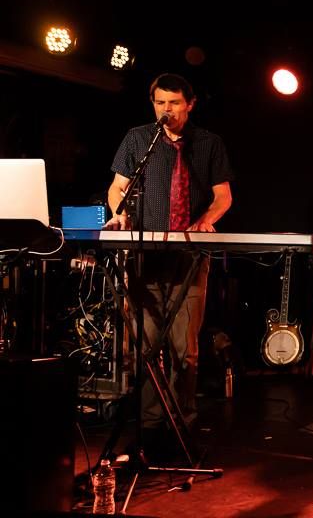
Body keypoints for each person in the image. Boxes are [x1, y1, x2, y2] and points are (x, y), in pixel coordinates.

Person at [105, 73, 234, 450]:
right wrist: (120, 213)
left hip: (188, 257)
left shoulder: (208, 143)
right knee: (144, 347)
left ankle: (181, 425)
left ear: (190, 104)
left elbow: (223, 196)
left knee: (184, 349)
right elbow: (118, 186)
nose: (166, 110)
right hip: (145, 257)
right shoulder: (138, 139)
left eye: (174, 103)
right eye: (160, 102)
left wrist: (206, 219)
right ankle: (149, 426)